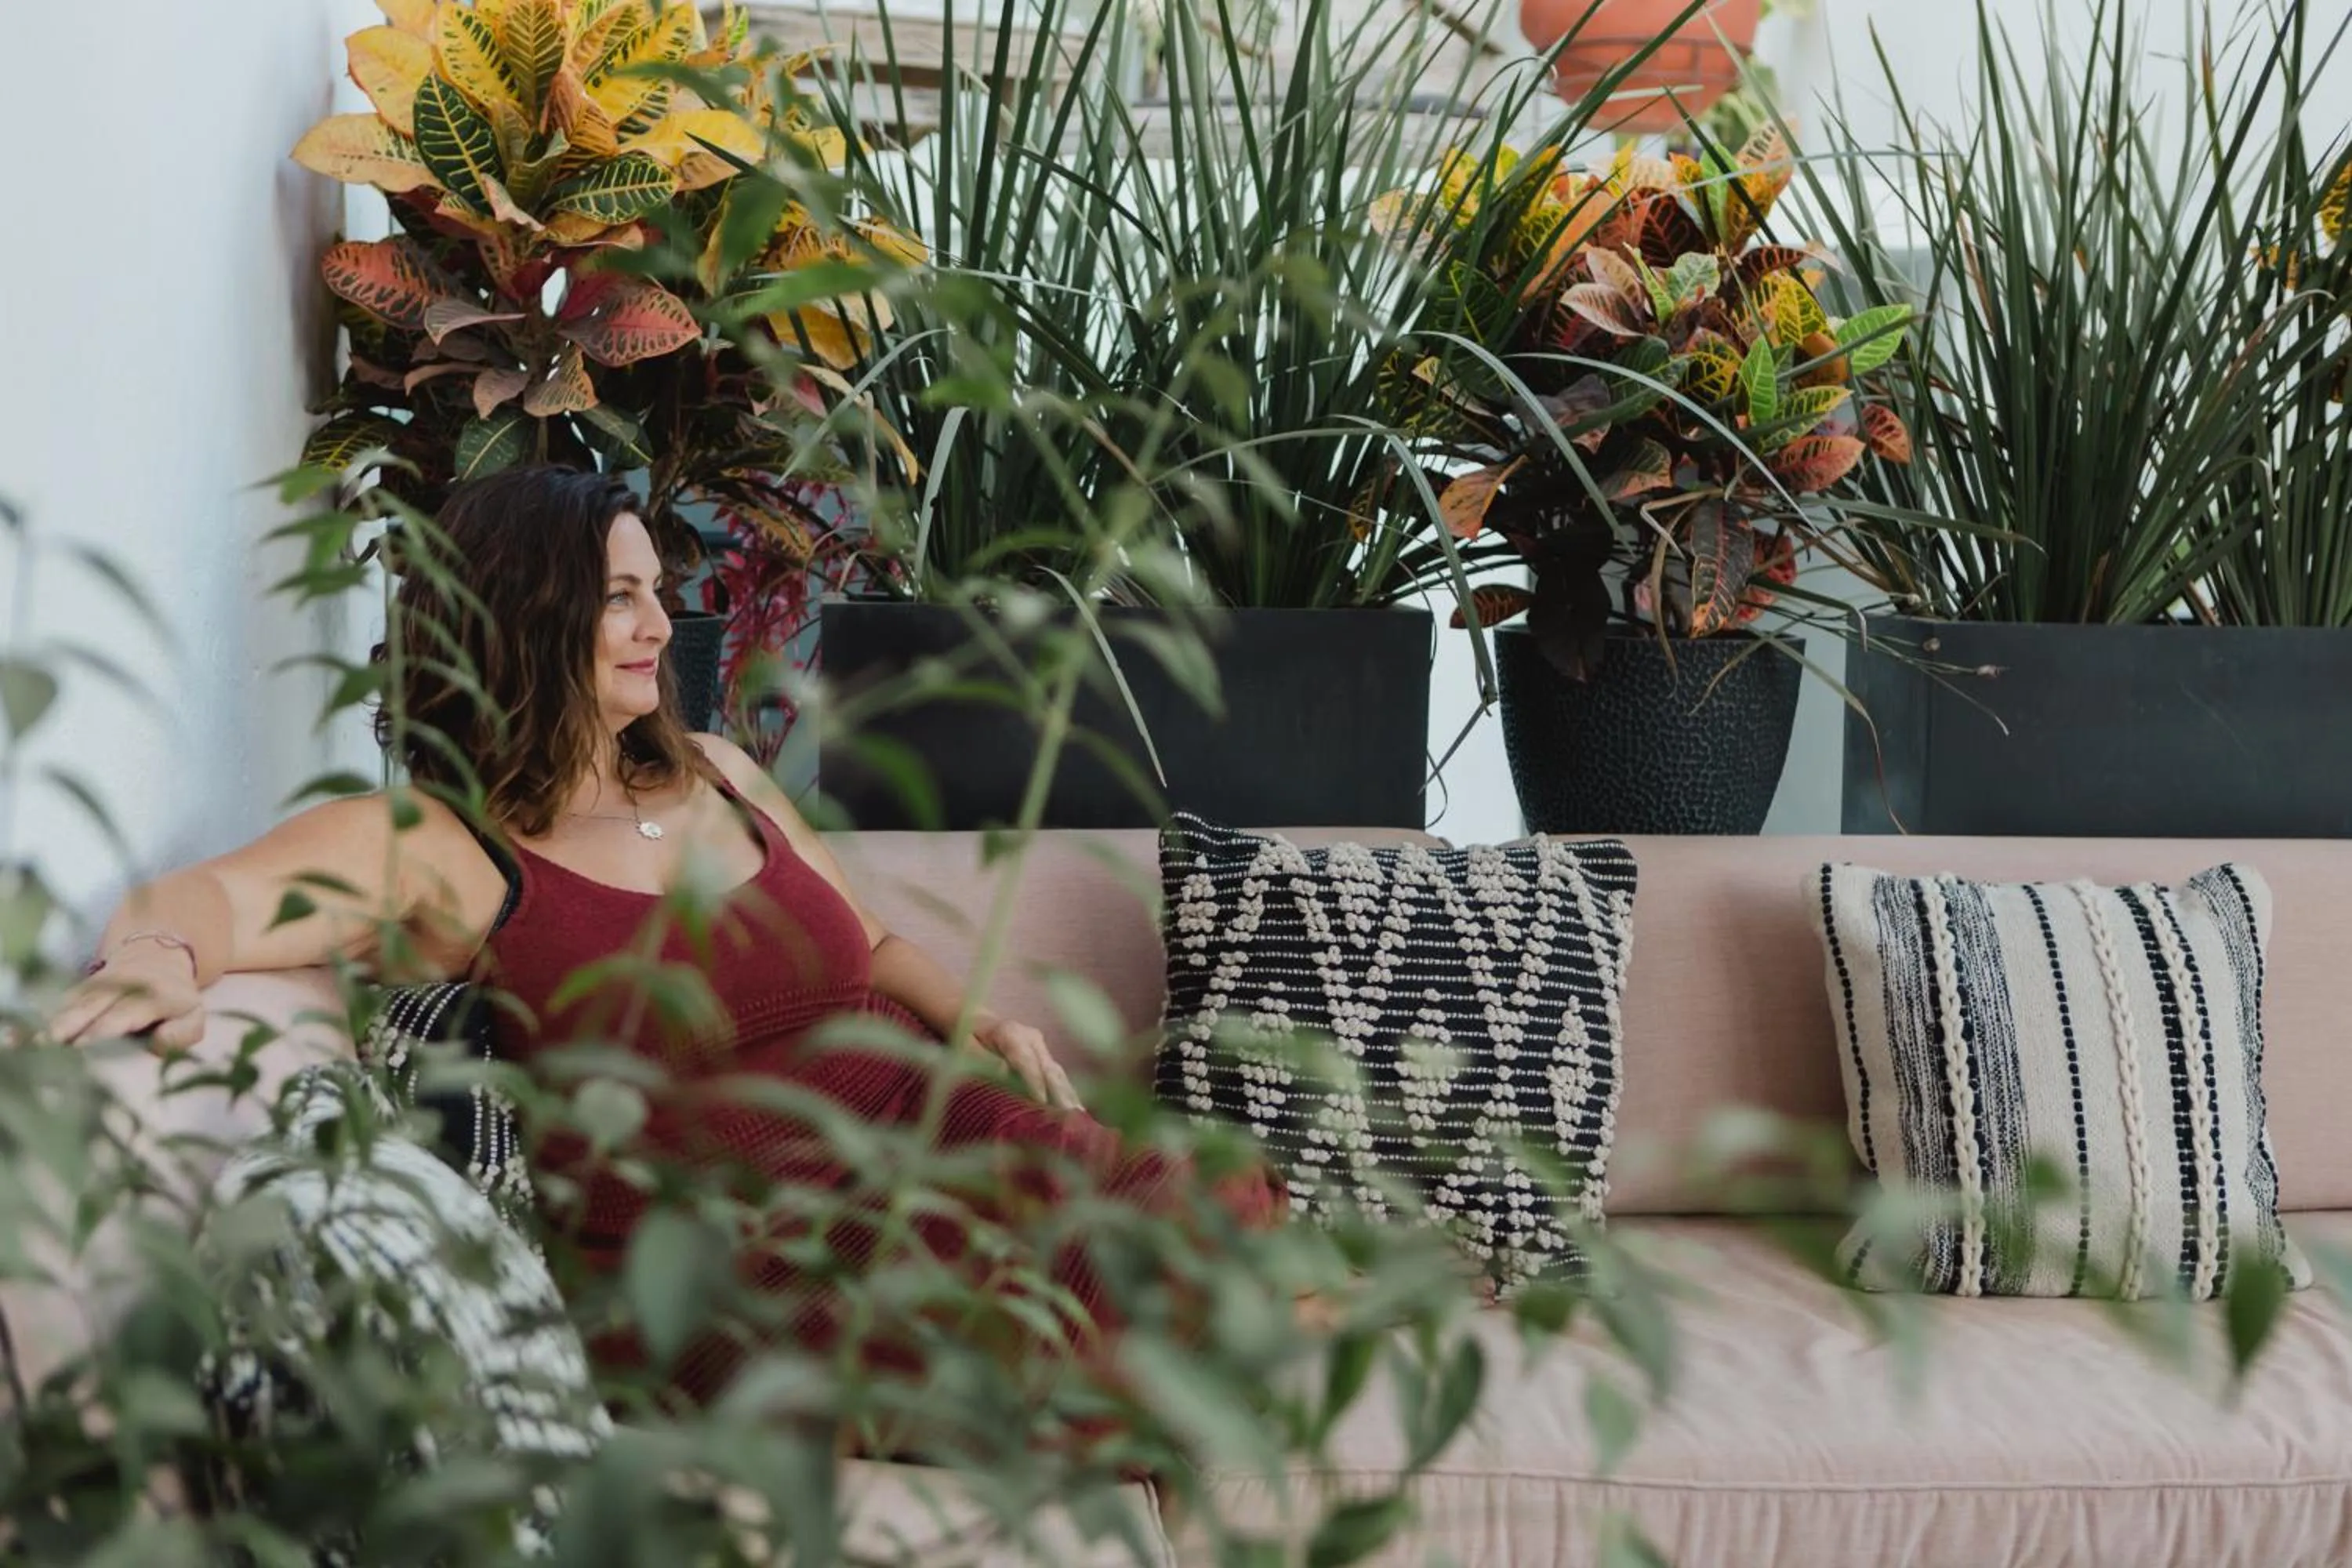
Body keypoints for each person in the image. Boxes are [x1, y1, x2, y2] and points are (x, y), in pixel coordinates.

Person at [47, 464, 1286, 1408]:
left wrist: (981, 1015)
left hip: (925, 1136)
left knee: (1193, 1214)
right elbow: (208, 900)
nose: (657, 624)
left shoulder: (726, 774)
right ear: (526, 613)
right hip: (744, 1248)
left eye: (657, 593)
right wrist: (159, 954)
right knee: (1146, 1312)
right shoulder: (444, 842)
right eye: (622, 597)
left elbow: (868, 935)